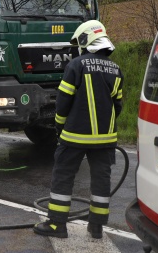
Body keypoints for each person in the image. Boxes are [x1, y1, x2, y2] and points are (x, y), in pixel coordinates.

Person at [33, 20, 124, 239]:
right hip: (105, 138)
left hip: (74, 136)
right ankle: (96, 227)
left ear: (85, 40)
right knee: (101, 178)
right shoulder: (115, 69)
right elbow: (117, 105)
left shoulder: (76, 65)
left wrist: (59, 125)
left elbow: (63, 102)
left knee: (63, 175)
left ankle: (57, 225)